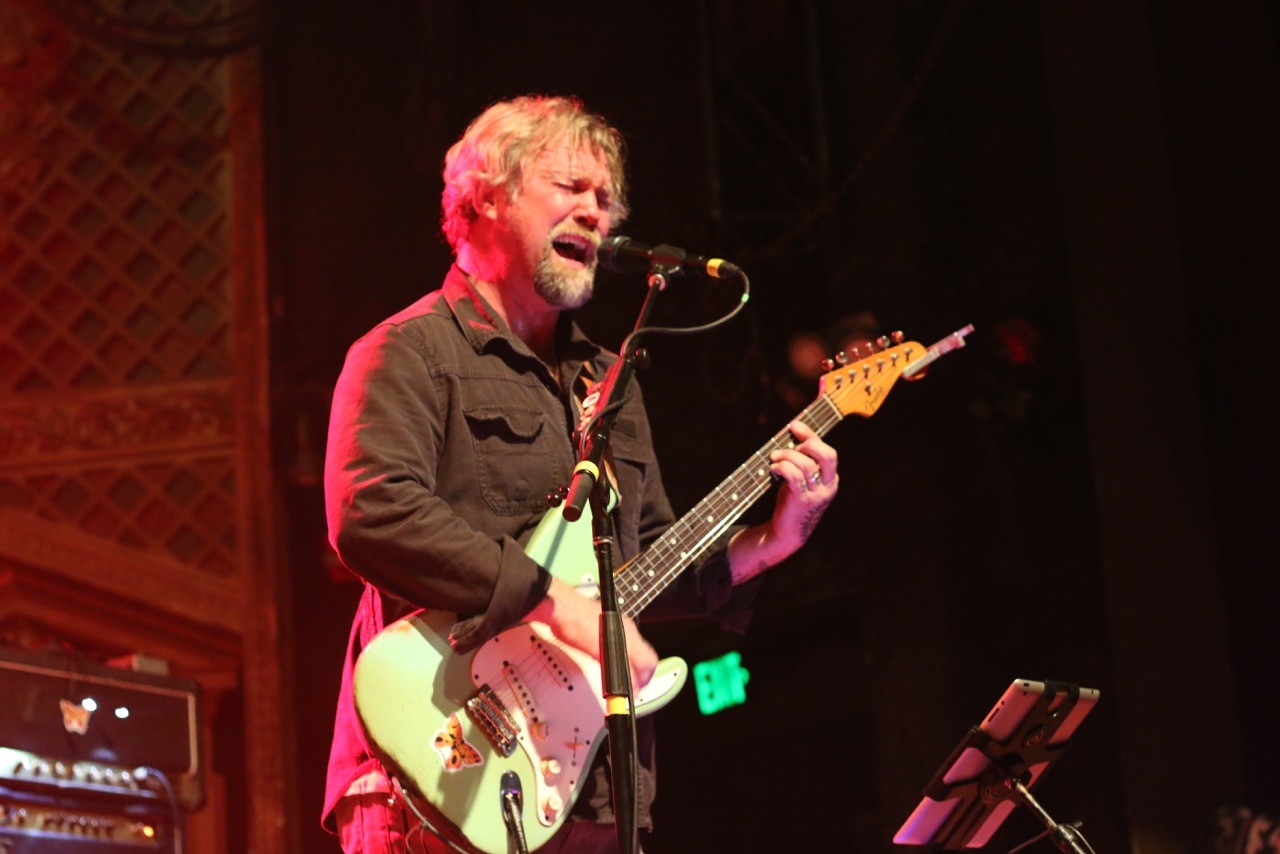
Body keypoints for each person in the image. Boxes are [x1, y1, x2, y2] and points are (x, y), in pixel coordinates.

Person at [320, 94, 840, 853]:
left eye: (606, 199)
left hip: (586, 787)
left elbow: (650, 569)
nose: (598, 214)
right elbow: (372, 513)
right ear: (488, 196)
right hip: (437, 767)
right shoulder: (409, 351)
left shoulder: (610, 379)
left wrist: (775, 537)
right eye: (570, 188)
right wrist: (551, 601)